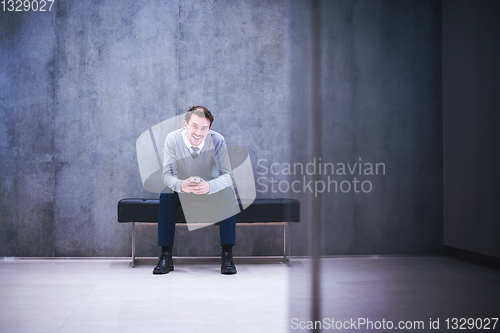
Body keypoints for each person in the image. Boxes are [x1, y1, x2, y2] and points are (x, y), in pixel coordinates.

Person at [153, 106, 238, 275]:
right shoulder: (173, 139)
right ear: (185, 124)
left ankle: (227, 255)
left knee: (228, 193)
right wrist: (181, 185)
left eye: (204, 128)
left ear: (209, 128)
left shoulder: (217, 140)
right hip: (182, 190)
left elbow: (227, 176)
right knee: (166, 194)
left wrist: (209, 187)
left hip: (209, 191)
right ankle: (166, 255)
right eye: (194, 126)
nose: (198, 133)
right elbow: (167, 175)